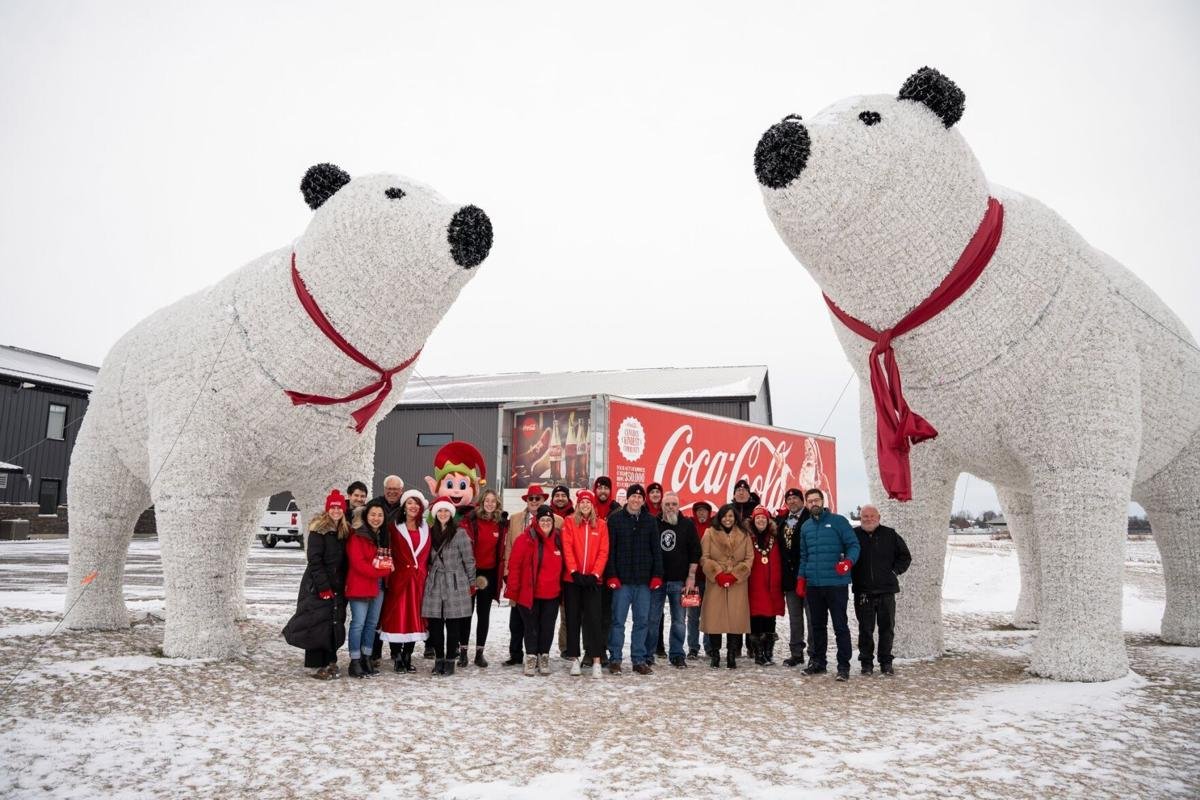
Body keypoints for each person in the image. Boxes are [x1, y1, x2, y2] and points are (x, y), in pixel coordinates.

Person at [796, 488, 860, 681]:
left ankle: (843, 666)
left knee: (840, 626)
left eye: (817, 500)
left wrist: (848, 562)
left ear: (823, 502)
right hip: (814, 585)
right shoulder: (806, 527)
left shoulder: (839, 521)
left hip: (836, 584)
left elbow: (854, 545)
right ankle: (818, 662)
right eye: (810, 501)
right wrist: (801, 578)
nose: (814, 504)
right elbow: (804, 556)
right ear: (806, 504)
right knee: (817, 626)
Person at [290, 489, 350, 679]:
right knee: (317, 624)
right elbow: (314, 561)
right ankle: (317, 664)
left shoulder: (343, 531)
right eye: (332, 507)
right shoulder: (318, 530)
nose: (336, 511)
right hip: (318, 585)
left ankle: (330, 661)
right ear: (327, 509)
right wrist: (323, 587)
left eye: (339, 507)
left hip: (337, 585)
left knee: (333, 623)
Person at [604, 484, 663, 675]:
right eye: (633, 497)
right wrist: (611, 574)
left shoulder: (650, 520)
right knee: (617, 621)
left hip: (644, 581)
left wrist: (657, 575)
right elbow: (610, 550)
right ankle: (615, 659)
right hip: (622, 581)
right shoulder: (615, 519)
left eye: (640, 497)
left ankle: (639, 659)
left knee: (642, 622)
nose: (636, 500)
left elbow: (656, 550)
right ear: (627, 499)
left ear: (643, 500)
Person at [851, 504, 912, 676]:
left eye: (872, 516)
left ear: (878, 518)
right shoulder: (854, 535)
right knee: (865, 629)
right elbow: (846, 556)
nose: (868, 519)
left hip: (886, 591)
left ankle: (886, 662)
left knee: (887, 628)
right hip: (863, 592)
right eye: (865, 516)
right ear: (860, 518)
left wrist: (894, 571)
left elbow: (905, 556)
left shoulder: (890, 534)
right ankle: (866, 663)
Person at [505, 505, 565, 676]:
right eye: (542, 520)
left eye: (549, 520)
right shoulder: (524, 540)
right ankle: (531, 656)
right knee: (531, 627)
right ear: (536, 521)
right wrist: (513, 592)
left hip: (552, 594)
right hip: (529, 594)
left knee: (547, 627)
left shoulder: (558, 539)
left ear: (553, 522)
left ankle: (543, 656)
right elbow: (514, 567)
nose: (545, 523)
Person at [501, 484, 556, 666]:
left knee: (539, 620)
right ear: (527, 500)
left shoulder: (556, 520)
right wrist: (508, 573)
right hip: (520, 578)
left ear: (543, 500)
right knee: (516, 620)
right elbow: (510, 546)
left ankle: (538, 654)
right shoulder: (516, 519)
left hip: (542, 582)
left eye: (537, 498)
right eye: (531, 498)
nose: (534, 501)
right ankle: (516, 653)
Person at [421, 496, 477, 676]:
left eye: (446, 511)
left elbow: (469, 560)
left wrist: (471, 583)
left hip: (455, 581)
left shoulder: (460, 534)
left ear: (451, 514)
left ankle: (451, 660)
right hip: (436, 581)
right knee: (436, 624)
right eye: (440, 511)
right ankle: (439, 659)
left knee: (453, 625)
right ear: (435, 513)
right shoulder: (429, 533)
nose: (443, 514)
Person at [378, 490, 431, 673]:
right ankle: (397, 656)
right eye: (409, 503)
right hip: (399, 579)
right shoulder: (394, 527)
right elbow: (387, 551)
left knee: (415, 619)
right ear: (404, 506)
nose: (413, 506)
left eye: (416, 503)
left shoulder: (426, 528)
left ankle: (408, 655)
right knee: (396, 617)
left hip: (419, 581)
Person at [344, 498, 395, 677]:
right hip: (360, 585)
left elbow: (385, 561)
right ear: (366, 516)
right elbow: (359, 564)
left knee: (372, 624)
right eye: (373, 514)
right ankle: (355, 661)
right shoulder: (358, 536)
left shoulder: (383, 536)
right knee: (358, 624)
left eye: (380, 515)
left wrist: (387, 568)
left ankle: (367, 657)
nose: (376, 518)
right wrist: (382, 572)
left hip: (378, 586)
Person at [561, 489, 609, 677]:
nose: (585, 505)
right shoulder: (569, 522)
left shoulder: (602, 525)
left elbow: (603, 551)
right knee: (572, 619)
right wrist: (574, 571)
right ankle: (574, 658)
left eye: (588, 502)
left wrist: (595, 574)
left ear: (593, 505)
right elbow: (567, 547)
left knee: (594, 620)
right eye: (582, 502)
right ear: (578, 505)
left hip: (593, 581)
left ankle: (596, 659)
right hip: (572, 580)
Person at [699, 503, 753, 669]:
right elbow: (704, 557)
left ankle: (732, 654)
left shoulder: (744, 535)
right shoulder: (709, 533)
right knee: (715, 619)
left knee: (735, 620)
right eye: (724, 516)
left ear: (735, 517)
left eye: (731, 516)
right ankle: (715, 654)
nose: (727, 519)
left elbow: (749, 558)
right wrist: (718, 574)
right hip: (716, 582)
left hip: (738, 583)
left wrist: (735, 575)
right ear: (719, 517)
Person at [460, 489, 508, 667]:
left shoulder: (501, 524)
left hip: (488, 575)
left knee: (484, 614)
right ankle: (463, 651)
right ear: (481, 502)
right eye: (486, 501)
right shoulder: (470, 521)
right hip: (470, 572)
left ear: (497, 504)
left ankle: (479, 652)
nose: (489, 504)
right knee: (466, 613)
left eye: (493, 501)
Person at [653, 492, 701, 668]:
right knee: (653, 619)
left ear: (679, 505)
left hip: (680, 581)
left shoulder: (687, 524)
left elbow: (696, 552)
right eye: (667, 504)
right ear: (662, 506)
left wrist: (691, 577)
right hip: (657, 581)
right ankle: (648, 654)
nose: (671, 507)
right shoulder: (654, 523)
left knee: (679, 620)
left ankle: (677, 654)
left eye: (674, 504)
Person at [776, 488, 811, 667]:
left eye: (795, 498)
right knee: (795, 618)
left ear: (802, 500)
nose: (792, 502)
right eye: (789, 499)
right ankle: (796, 653)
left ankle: (814, 653)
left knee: (812, 617)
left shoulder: (811, 517)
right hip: (790, 579)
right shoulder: (782, 520)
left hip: (808, 577)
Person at [746, 506, 784, 666]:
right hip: (754, 585)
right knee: (756, 619)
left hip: (772, 585)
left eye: (763, 518)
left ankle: (769, 652)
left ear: (768, 521)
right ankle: (758, 653)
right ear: (753, 521)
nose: (760, 520)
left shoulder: (775, 538)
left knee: (770, 619)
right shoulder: (748, 538)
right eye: (757, 518)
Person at [685, 500, 713, 659]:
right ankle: (693, 648)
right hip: (692, 580)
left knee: (709, 614)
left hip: (710, 580)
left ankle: (709, 647)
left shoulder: (714, 527)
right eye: (699, 511)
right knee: (693, 615)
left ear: (709, 513)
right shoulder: (689, 526)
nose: (701, 513)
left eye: (704, 511)